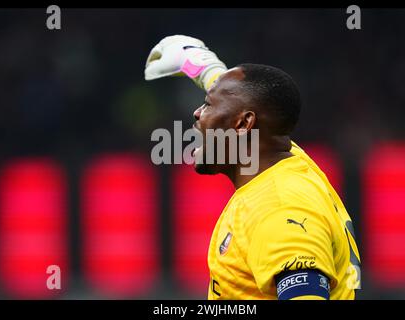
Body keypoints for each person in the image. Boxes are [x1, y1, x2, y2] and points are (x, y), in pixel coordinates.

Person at [144, 35, 361, 300]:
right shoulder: (284, 154)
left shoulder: (280, 209)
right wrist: (202, 66)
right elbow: (242, 98)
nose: (197, 113)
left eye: (208, 105)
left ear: (244, 124)